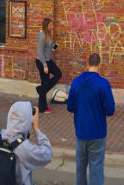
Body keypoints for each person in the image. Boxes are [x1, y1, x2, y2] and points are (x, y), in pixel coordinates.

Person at [67, 53, 115, 185]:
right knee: (96, 168)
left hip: (81, 131)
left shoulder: (76, 82)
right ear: (99, 65)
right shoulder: (103, 84)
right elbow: (110, 110)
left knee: (80, 168)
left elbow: (70, 106)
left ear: (87, 64)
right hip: (98, 132)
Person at [0, 101, 53, 185]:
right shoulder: (23, 148)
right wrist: (36, 128)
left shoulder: (0, 136)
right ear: (27, 121)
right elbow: (47, 154)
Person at [35, 17, 62, 114]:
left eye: (52, 24)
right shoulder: (42, 36)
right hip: (42, 62)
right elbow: (40, 52)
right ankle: (42, 108)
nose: (52, 26)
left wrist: (55, 46)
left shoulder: (48, 34)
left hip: (48, 60)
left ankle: (41, 89)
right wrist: (45, 65)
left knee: (58, 74)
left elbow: (48, 49)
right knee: (45, 83)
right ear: (46, 26)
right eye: (50, 25)